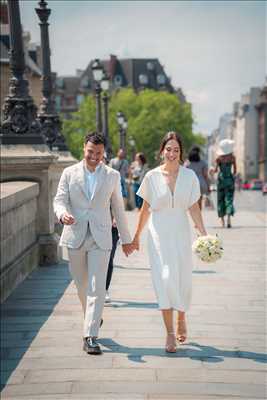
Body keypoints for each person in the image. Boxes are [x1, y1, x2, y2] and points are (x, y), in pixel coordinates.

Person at [53, 132, 132, 355]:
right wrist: (62, 214)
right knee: (82, 287)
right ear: (83, 148)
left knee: (97, 288)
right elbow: (59, 199)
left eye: (98, 154)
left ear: (103, 152)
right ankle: (93, 317)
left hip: (101, 237)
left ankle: (90, 335)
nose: (95, 157)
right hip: (75, 235)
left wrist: (127, 240)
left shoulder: (112, 176)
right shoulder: (69, 173)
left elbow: (118, 207)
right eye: (90, 153)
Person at [131, 132, 207, 353]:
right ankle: (169, 334)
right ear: (162, 151)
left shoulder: (190, 177)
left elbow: (193, 207)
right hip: (158, 236)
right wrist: (136, 236)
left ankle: (182, 317)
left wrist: (203, 233)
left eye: (176, 150)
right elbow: (145, 210)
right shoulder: (151, 177)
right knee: (165, 279)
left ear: (180, 153)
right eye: (168, 149)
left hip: (181, 233)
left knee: (183, 280)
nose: (172, 153)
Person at [214, 139, 237, 228]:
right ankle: (229, 220)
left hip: (221, 180)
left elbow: (216, 170)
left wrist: (213, 171)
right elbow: (235, 171)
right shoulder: (232, 158)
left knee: (220, 200)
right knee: (229, 199)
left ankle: (222, 221)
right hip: (229, 180)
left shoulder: (219, 159)